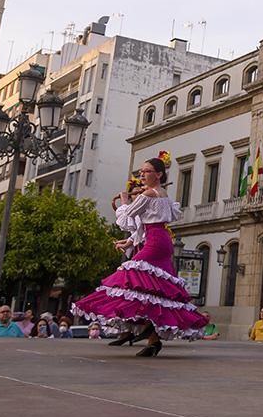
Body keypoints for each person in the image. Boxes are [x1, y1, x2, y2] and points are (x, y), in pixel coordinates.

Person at [72, 152, 207, 357]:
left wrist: (125, 201)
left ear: (159, 174)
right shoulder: (163, 195)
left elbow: (127, 217)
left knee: (129, 279)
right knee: (156, 291)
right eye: (141, 171)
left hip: (154, 242)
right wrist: (129, 242)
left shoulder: (149, 195)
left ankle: (139, 327)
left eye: (147, 171)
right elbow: (147, 225)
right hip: (161, 239)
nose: (142, 175)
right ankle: (152, 338)